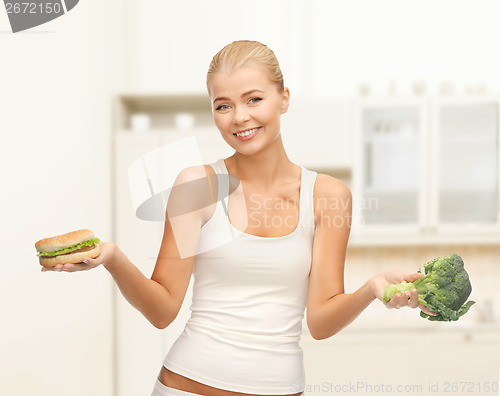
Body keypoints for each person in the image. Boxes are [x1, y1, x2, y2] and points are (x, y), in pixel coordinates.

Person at [41, 40, 435, 396]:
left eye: (253, 99)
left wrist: (369, 289)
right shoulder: (197, 185)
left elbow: (320, 322)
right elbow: (162, 311)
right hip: (187, 386)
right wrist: (111, 256)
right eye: (223, 105)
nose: (239, 118)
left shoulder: (328, 196)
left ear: (284, 98)